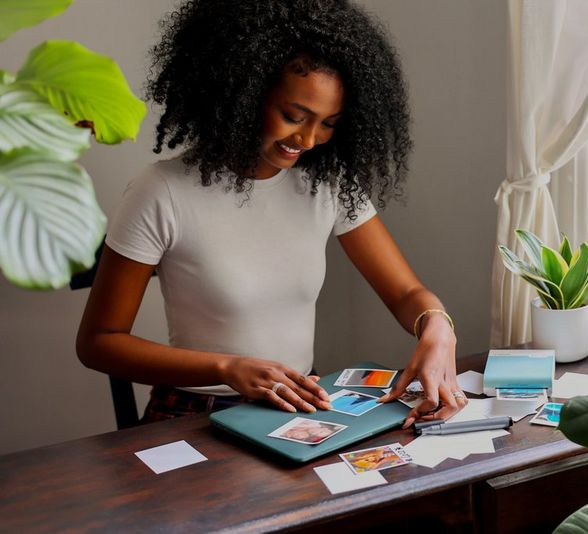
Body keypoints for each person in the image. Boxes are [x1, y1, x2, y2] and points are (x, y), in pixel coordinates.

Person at [76, 0, 467, 429]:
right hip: (195, 414)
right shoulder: (162, 191)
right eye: (293, 116)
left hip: (296, 410)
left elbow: (405, 293)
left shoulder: (327, 184)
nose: (308, 138)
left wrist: (437, 327)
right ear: (244, 91)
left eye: (328, 123)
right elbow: (98, 342)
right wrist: (228, 369)